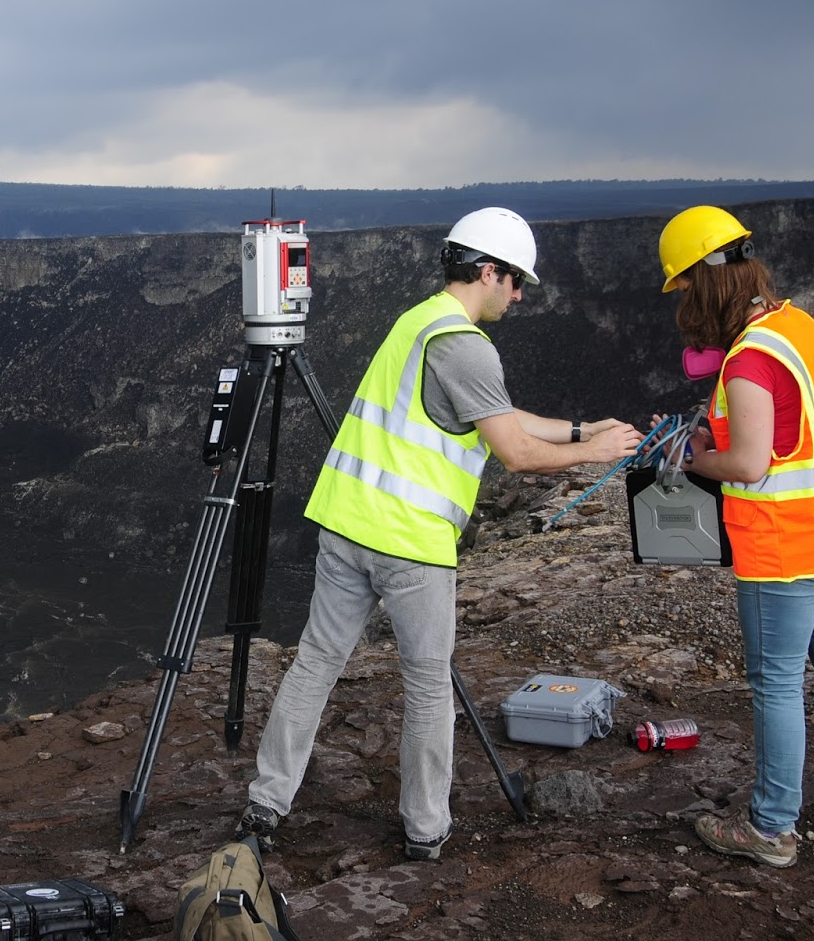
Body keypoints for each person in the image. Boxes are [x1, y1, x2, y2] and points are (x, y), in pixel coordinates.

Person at [235, 206, 644, 862]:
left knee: (315, 663)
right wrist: (596, 452)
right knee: (426, 686)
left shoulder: (419, 322)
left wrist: (580, 428)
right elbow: (515, 452)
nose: (518, 295)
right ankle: (425, 828)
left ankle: (266, 802)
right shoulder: (468, 346)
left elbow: (495, 412)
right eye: (515, 280)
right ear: (488, 271)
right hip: (411, 545)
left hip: (347, 523)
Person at [654, 204, 814, 868]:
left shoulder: (748, 360)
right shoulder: (798, 326)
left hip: (785, 543)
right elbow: (797, 429)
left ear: (703, 282)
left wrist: (693, 460)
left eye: (684, 288)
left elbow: (750, 464)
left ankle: (770, 827)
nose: (684, 304)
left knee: (776, 681)